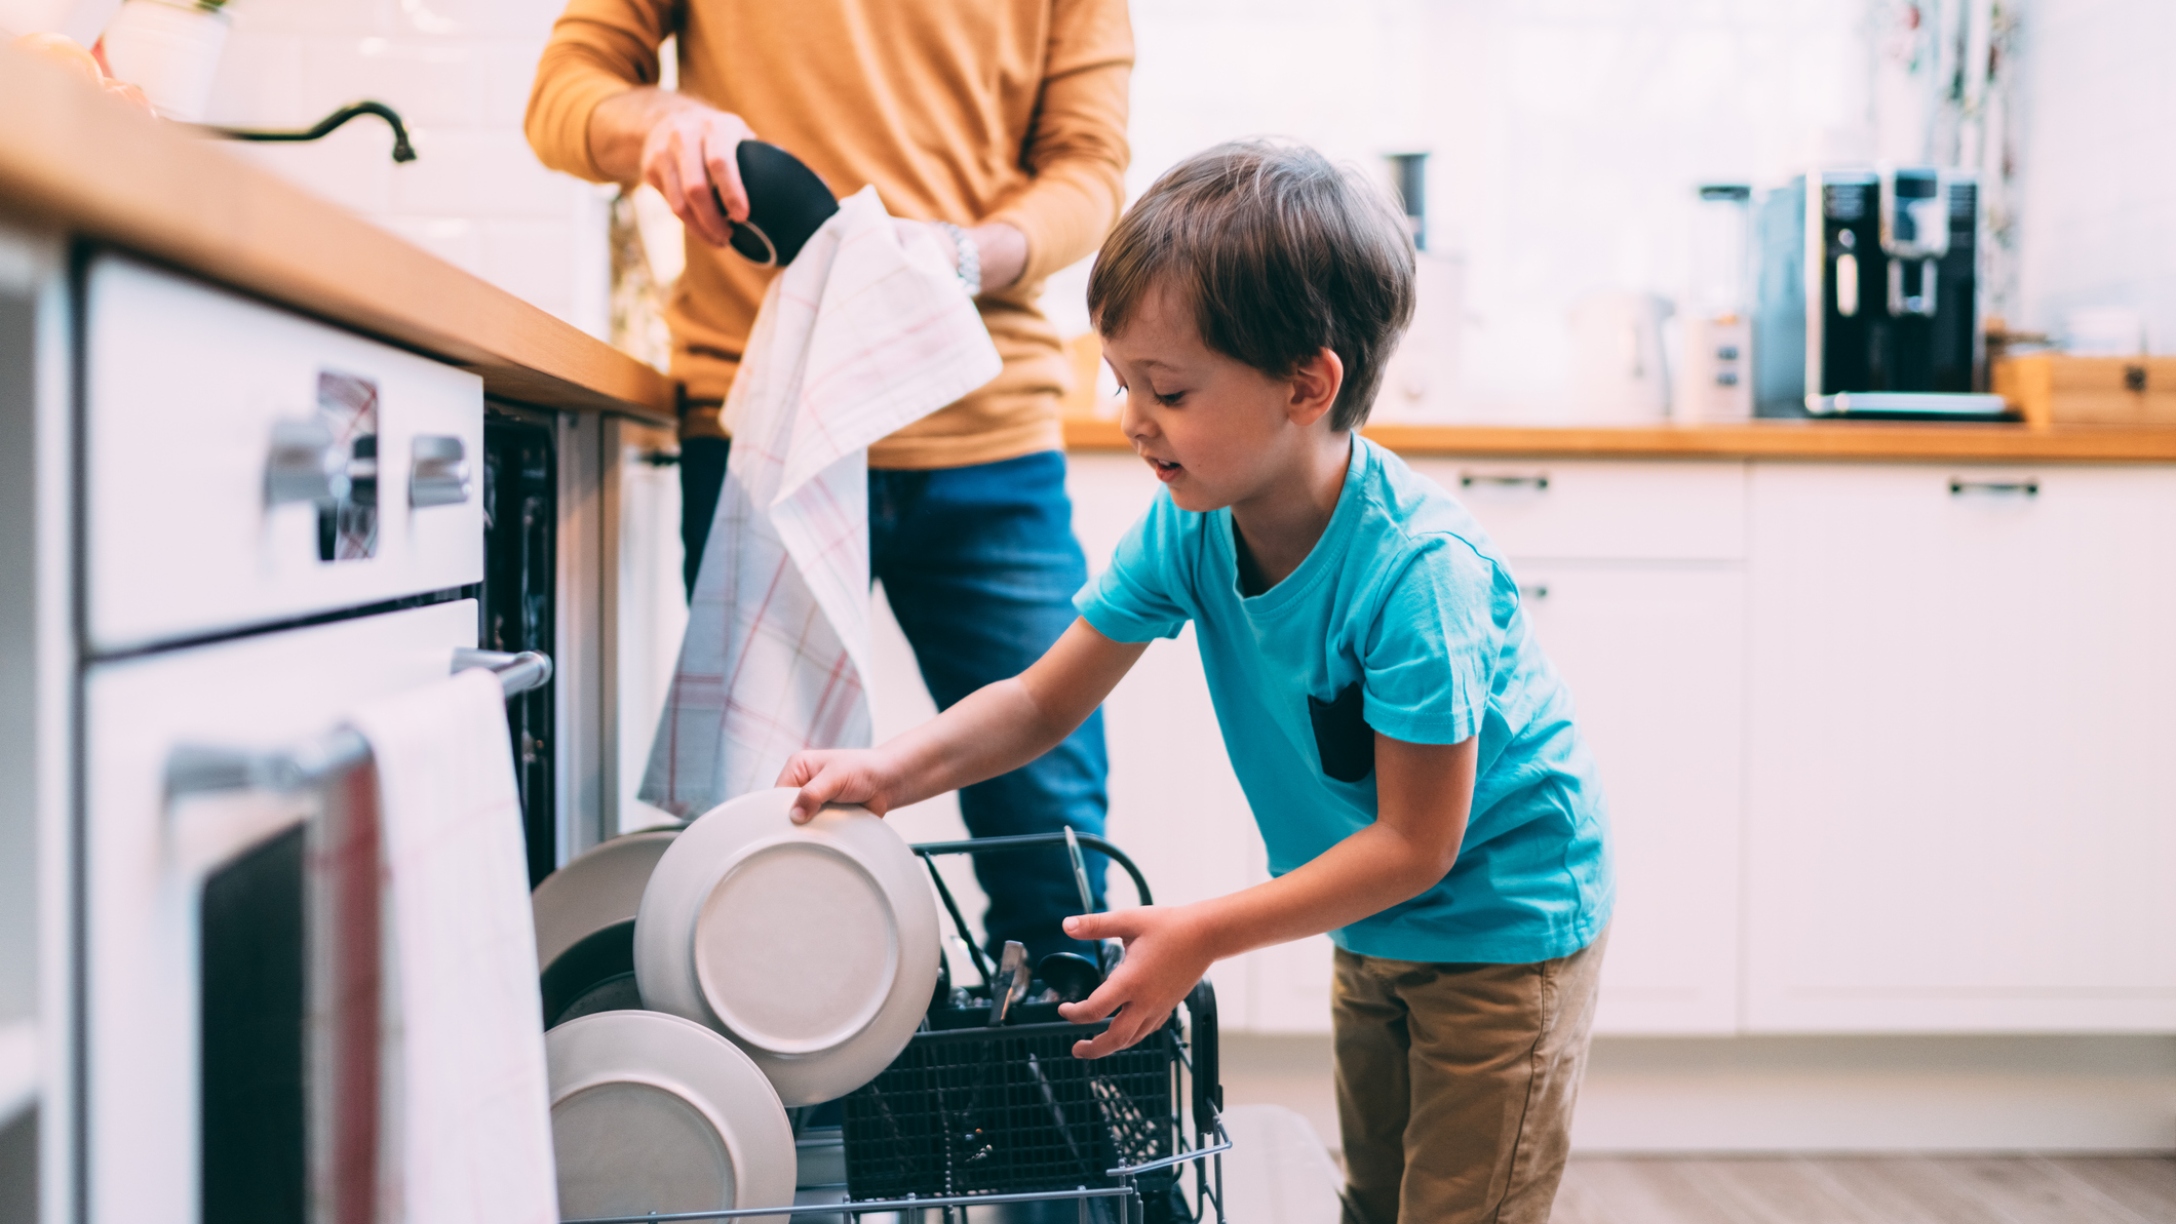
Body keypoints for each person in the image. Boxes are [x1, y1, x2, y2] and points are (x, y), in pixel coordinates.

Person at [777, 142, 1616, 1224]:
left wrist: (1207, 931)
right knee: (1377, 1197)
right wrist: (888, 772)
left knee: (1462, 1208)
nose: (1132, 418)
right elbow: (1040, 702)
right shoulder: (1191, 526)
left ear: (1306, 387)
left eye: (1166, 389)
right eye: (1121, 379)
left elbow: (1420, 843)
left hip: (1505, 924)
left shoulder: (1416, 579)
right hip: (1374, 920)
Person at [525, 0, 1133, 961]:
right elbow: (563, 93)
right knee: (769, 823)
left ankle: (1051, 1090)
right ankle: (785, 1108)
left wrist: (966, 255)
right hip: (767, 427)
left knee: (1047, 840)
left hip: (984, 424)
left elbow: (1090, 171)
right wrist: (661, 123)